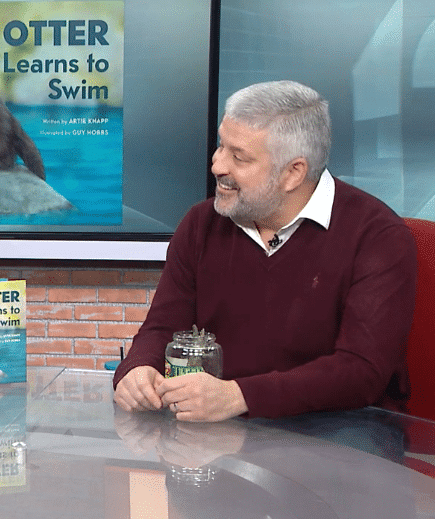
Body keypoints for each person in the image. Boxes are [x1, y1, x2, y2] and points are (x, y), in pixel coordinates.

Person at [113, 80, 417, 422]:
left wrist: (240, 396)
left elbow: (361, 372)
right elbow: (161, 329)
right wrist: (138, 368)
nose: (217, 166)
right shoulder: (201, 224)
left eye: (239, 157)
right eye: (220, 146)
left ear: (293, 173)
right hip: (225, 422)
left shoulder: (377, 236)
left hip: (345, 424)